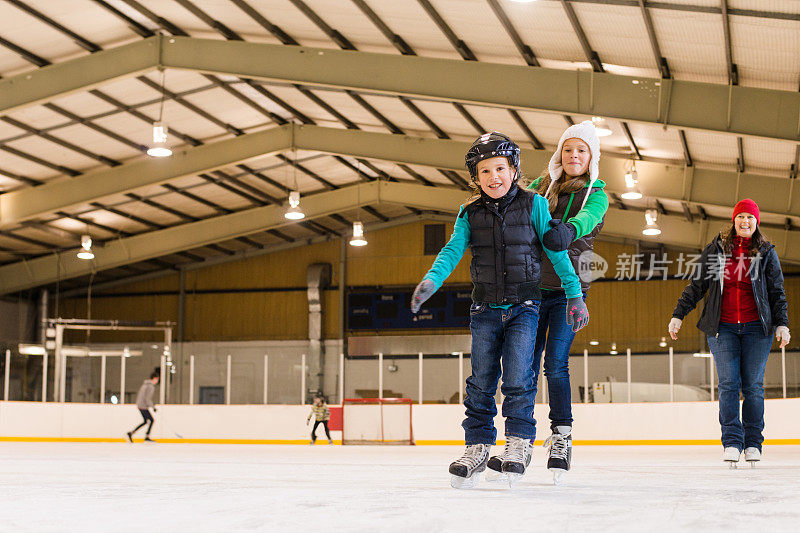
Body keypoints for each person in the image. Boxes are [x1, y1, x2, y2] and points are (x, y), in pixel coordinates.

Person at [411, 132, 589, 489]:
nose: (494, 177)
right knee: (480, 381)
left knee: (519, 379)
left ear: (514, 169)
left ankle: (519, 443)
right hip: (484, 309)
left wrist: (574, 294)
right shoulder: (469, 212)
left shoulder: (534, 204)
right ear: (475, 178)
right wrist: (432, 280)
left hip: (525, 306)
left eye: (500, 169)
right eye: (485, 171)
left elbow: (556, 253)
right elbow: (451, 251)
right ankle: (477, 446)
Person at [668, 198, 790, 467]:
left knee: (754, 387)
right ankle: (733, 442)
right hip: (722, 328)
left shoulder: (766, 252)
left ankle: (754, 443)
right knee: (728, 385)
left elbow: (776, 292)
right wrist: (678, 314)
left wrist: (782, 323)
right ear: (733, 221)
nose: (745, 222)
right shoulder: (716, 250)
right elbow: (697, 285)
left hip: (757, 329)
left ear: (756, 223)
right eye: (740, 217)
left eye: (750, 218)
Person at [527, 120, 609, 484]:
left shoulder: (597, 193)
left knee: (555, 365)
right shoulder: (540, 187)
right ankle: (520, 437)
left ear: (591, 157)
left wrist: (569, 229)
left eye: (581, 150)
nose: (574, 155)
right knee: (523, 365)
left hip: (568, 290)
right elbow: (514, 207)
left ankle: (561, 436)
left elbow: (588, 219)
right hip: (529, 288)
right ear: (559, 153)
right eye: (568, 149)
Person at [126, 370, 159, 443]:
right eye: (157, 379)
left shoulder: (145, 384)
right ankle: (147, 436)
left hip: (140, 405)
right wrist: (153, 407)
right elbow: (147, 398)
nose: (157, 381)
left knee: (145, 421)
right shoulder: (150, 386)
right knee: (152, 420)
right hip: (143, 406)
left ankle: (131, 433)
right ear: (154, 378)